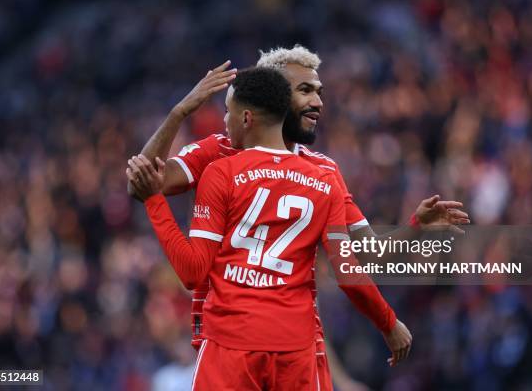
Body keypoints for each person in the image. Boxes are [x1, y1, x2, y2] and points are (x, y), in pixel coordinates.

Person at [128, 45, 469, 388]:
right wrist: (178, 115)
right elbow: (144, 178)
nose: (318, 102)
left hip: (273, 343)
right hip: (232, 337)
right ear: (274, 93)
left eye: (319, 92)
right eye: (304, 90)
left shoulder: (323, 169)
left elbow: (366, 253)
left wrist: (414, 229)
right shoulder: (221, 148)